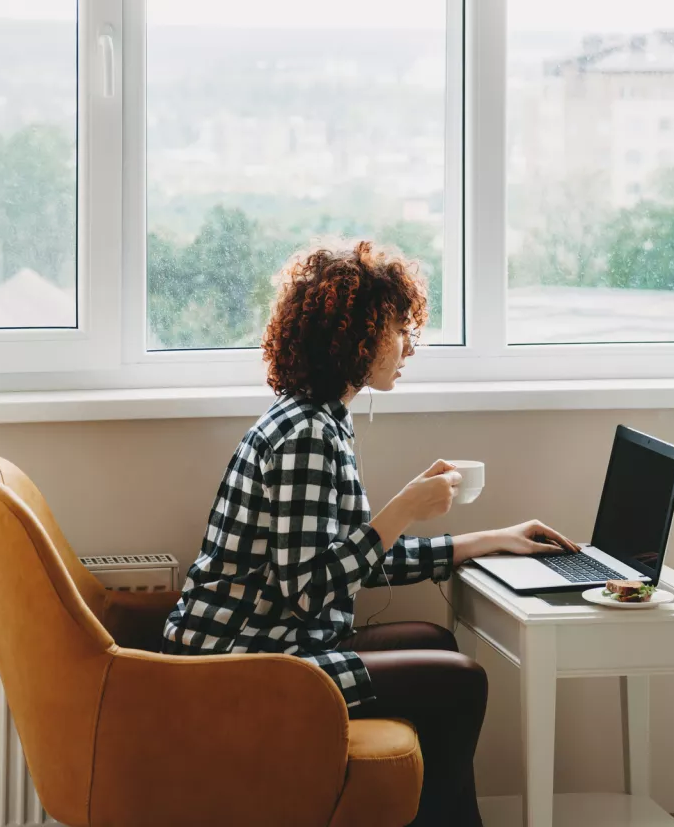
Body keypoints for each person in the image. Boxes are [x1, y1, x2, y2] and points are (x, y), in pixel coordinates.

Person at [163, 240, 577, 826]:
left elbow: (350, 562)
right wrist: (402, 509)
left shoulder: (320, 417)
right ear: (350, 336)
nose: (409, 345)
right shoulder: (307, 432)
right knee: (458, 684)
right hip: (244, 665)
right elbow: (307, 590)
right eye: (396, 329)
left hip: (276, 646)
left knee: (438, 643)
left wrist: (487, 540)